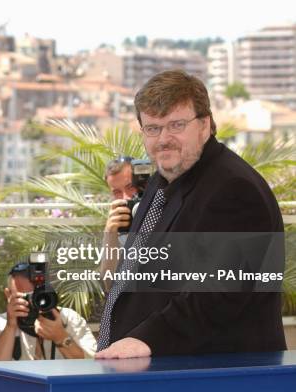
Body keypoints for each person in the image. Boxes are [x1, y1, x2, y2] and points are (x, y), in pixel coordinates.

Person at [95, 69, 286, 359]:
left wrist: (143, 341)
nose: (163, 139)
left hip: (214, 374)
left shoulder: (234, 188)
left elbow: (218, 293)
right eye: (153, 128)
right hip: (152, 369)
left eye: (176, 125)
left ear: (205, 125)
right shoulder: (163, 180)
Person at [0, 262, 97, 362]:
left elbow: (93, 366)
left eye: (40, 296)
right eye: (26, 296)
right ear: (8, 295)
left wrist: (61, 337)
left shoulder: (69, 319)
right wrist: (10, 327)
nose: (35, 302)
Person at [100, 156, 138, 291]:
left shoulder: (165, 210)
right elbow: (109, 284)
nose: (126, 197)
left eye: (131, 187)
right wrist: (110, 234)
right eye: (117, 192)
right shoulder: (117, 227)